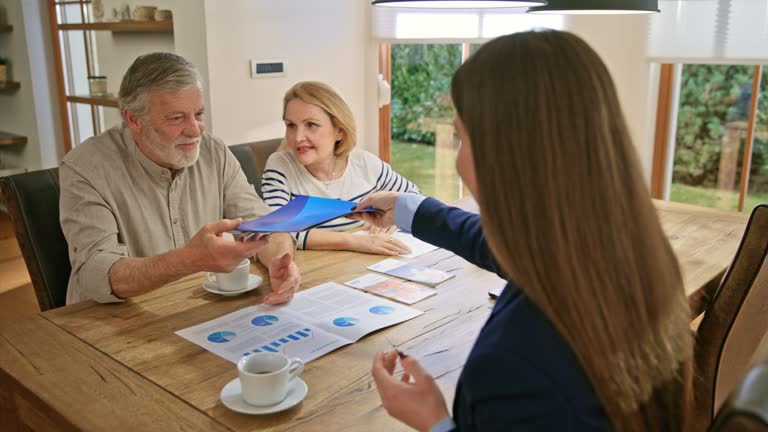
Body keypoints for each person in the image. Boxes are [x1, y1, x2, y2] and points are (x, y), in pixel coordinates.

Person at [355, 30, 693, 431]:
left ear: (506, 158)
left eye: (461, 137)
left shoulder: (513, 369)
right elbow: (505, 248)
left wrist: (435, 421)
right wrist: (409, 209)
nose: (457, 159)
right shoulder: (628, 256)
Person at [60, 52, 300, 305]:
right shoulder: (85, 169)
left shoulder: (214, 151)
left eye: (198, 114)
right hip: (112, 322)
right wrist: (188, 259)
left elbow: (266, 226)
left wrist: (280, 261)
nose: (195, 130)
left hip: (196, 309)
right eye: (176, 118)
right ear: (133, 119)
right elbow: (96, 274)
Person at [261, 81, 419, 254]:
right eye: (291, 125)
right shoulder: (280, 166)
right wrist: (356, 242)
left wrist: (394, 220)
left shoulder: (364, 163)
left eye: (311, 125)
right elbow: (278, 230)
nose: (298, 137)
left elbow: (413, 198)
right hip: (313, 271)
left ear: (339, 131)